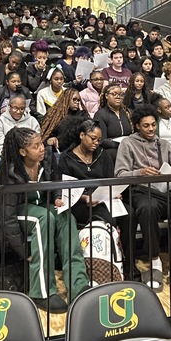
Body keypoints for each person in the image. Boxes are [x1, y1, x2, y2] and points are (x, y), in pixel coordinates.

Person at [0, 128, 89, 313]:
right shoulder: (11, 173)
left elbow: (55, 183)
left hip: (41, 206)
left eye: (41, 143)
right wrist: (25, 251)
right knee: (43, 219)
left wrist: (57, 197)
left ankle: (78, 286)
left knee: (66, 217)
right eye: (35, 146)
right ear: (23, 152)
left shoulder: (48, 160)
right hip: (17, 212)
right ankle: (42, 291)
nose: (42, 148)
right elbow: (7, 217)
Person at [114, 105, 171, 291]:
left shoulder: (165, 145)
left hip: (166, 192)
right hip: (140, 191)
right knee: (147, 208)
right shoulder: (128, 143)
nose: (151, 129)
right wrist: (139, 172)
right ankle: (154, 260)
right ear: (137, 126)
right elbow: (119, 174)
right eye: (146, 126)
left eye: (153, 125)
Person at [56, 117, 134, 283]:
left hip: (103, 199)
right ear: (82, 135)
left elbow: (109, 180)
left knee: (130, 214)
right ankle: (104, 266)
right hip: (79, 203)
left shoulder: (103, 155)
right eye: (93, 139)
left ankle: (127, 265)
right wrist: (85, 198)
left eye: (99, 140)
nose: (96, 143)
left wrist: (114, 192)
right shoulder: (67, 158)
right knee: (108, 218)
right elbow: (63, 189)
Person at [40, 87, 84, 153]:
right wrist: (49, 141)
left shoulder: (82, 115)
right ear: (66, 99)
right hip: (57, 152)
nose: (77, 102)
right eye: (74, 99)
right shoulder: (53, 116)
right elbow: (45, 138)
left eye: (78, 100)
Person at [94, 83, 133, 153]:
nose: (118, 97)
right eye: (114, 94)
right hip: (112, 149)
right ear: (106, 96)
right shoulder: (100, 114)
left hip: (129, 146)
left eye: (120, 94)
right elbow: (102, 140)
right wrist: (120, 145)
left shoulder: (128, 112)